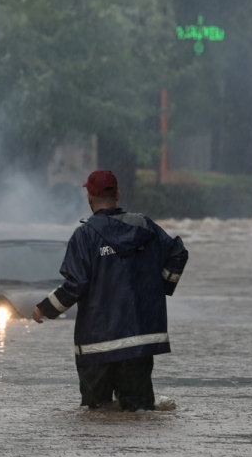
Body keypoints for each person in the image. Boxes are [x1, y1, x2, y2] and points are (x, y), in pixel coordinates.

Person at [32, 169, 188, 411]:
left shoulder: (84, 236)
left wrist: (44, 310)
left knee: (96, 415)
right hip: (139, 343)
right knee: (139, 414)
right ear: (118, 194)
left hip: (97, 346)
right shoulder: (145, 226)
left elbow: (76, 285)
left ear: (89, 197)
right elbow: (178, 253)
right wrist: (163, 285)